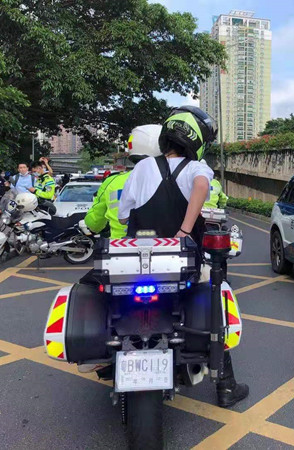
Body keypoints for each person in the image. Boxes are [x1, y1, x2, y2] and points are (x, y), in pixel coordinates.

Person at [118, 106, 249, 408]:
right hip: (183, 263)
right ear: (197, 140)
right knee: (214, 308)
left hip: (138, 262)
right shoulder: (195, 168)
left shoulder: (142, 167)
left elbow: (124, 215)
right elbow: (202, 187)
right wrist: (184, 231)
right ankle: (226, 386)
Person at [84, 124, 163, 239]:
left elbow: (94, 223)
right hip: (165, 245)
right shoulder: (174, 180)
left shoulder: (112, 182)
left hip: (119, 246)